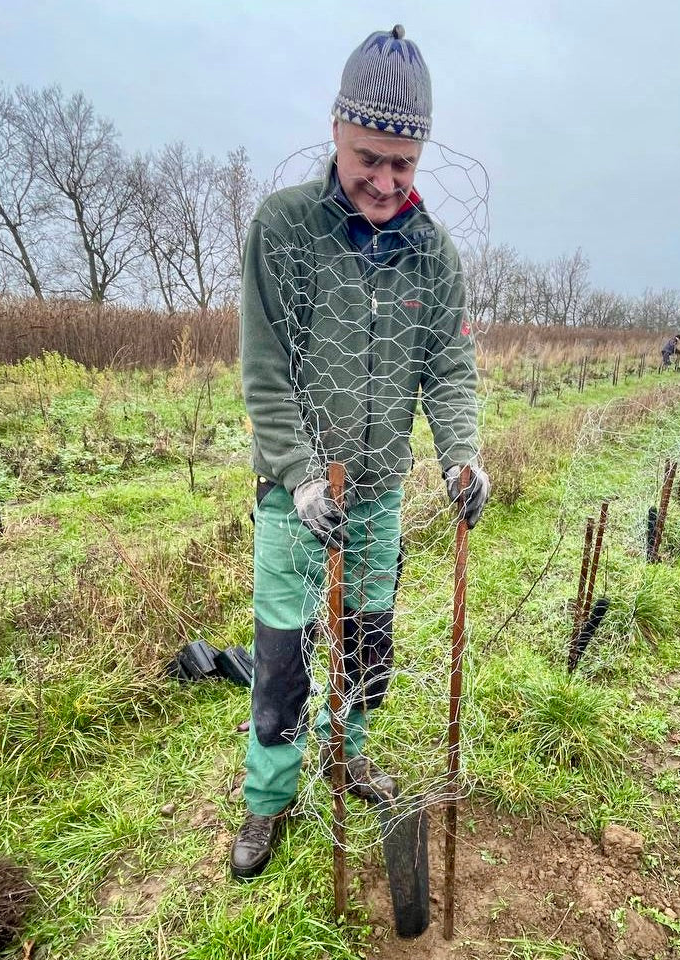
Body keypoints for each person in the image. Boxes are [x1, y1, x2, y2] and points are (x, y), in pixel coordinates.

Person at [231, 24, 490, 881]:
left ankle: (348, 757)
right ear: (336, 131)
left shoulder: (432, 255)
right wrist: (302, 476)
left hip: (378, 500)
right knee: (282, 661)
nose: (384, 181)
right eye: (368, 158)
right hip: (295, 501)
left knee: (368, 650)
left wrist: (460, 457)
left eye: (402, 165)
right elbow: (266, 372)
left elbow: (447, 367)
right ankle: (269, 800)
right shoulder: (285, 229)